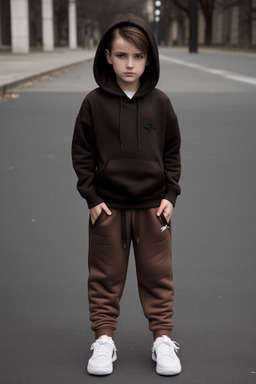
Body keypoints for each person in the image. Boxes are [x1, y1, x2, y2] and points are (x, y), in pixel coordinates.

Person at [72, 14, 182, 376]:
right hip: (108, 209)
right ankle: (104, 340)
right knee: (104, 276)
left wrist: (170, 195)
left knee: (157, 275)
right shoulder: (93, 103)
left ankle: (162, 339)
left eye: (137, 56)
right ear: (107, 56)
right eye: (121, 56)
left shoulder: (161, 103)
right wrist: (91, 197)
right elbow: (82, 152)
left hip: (153, 209)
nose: (129, 64)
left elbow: (171, 152)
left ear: (149, 58)